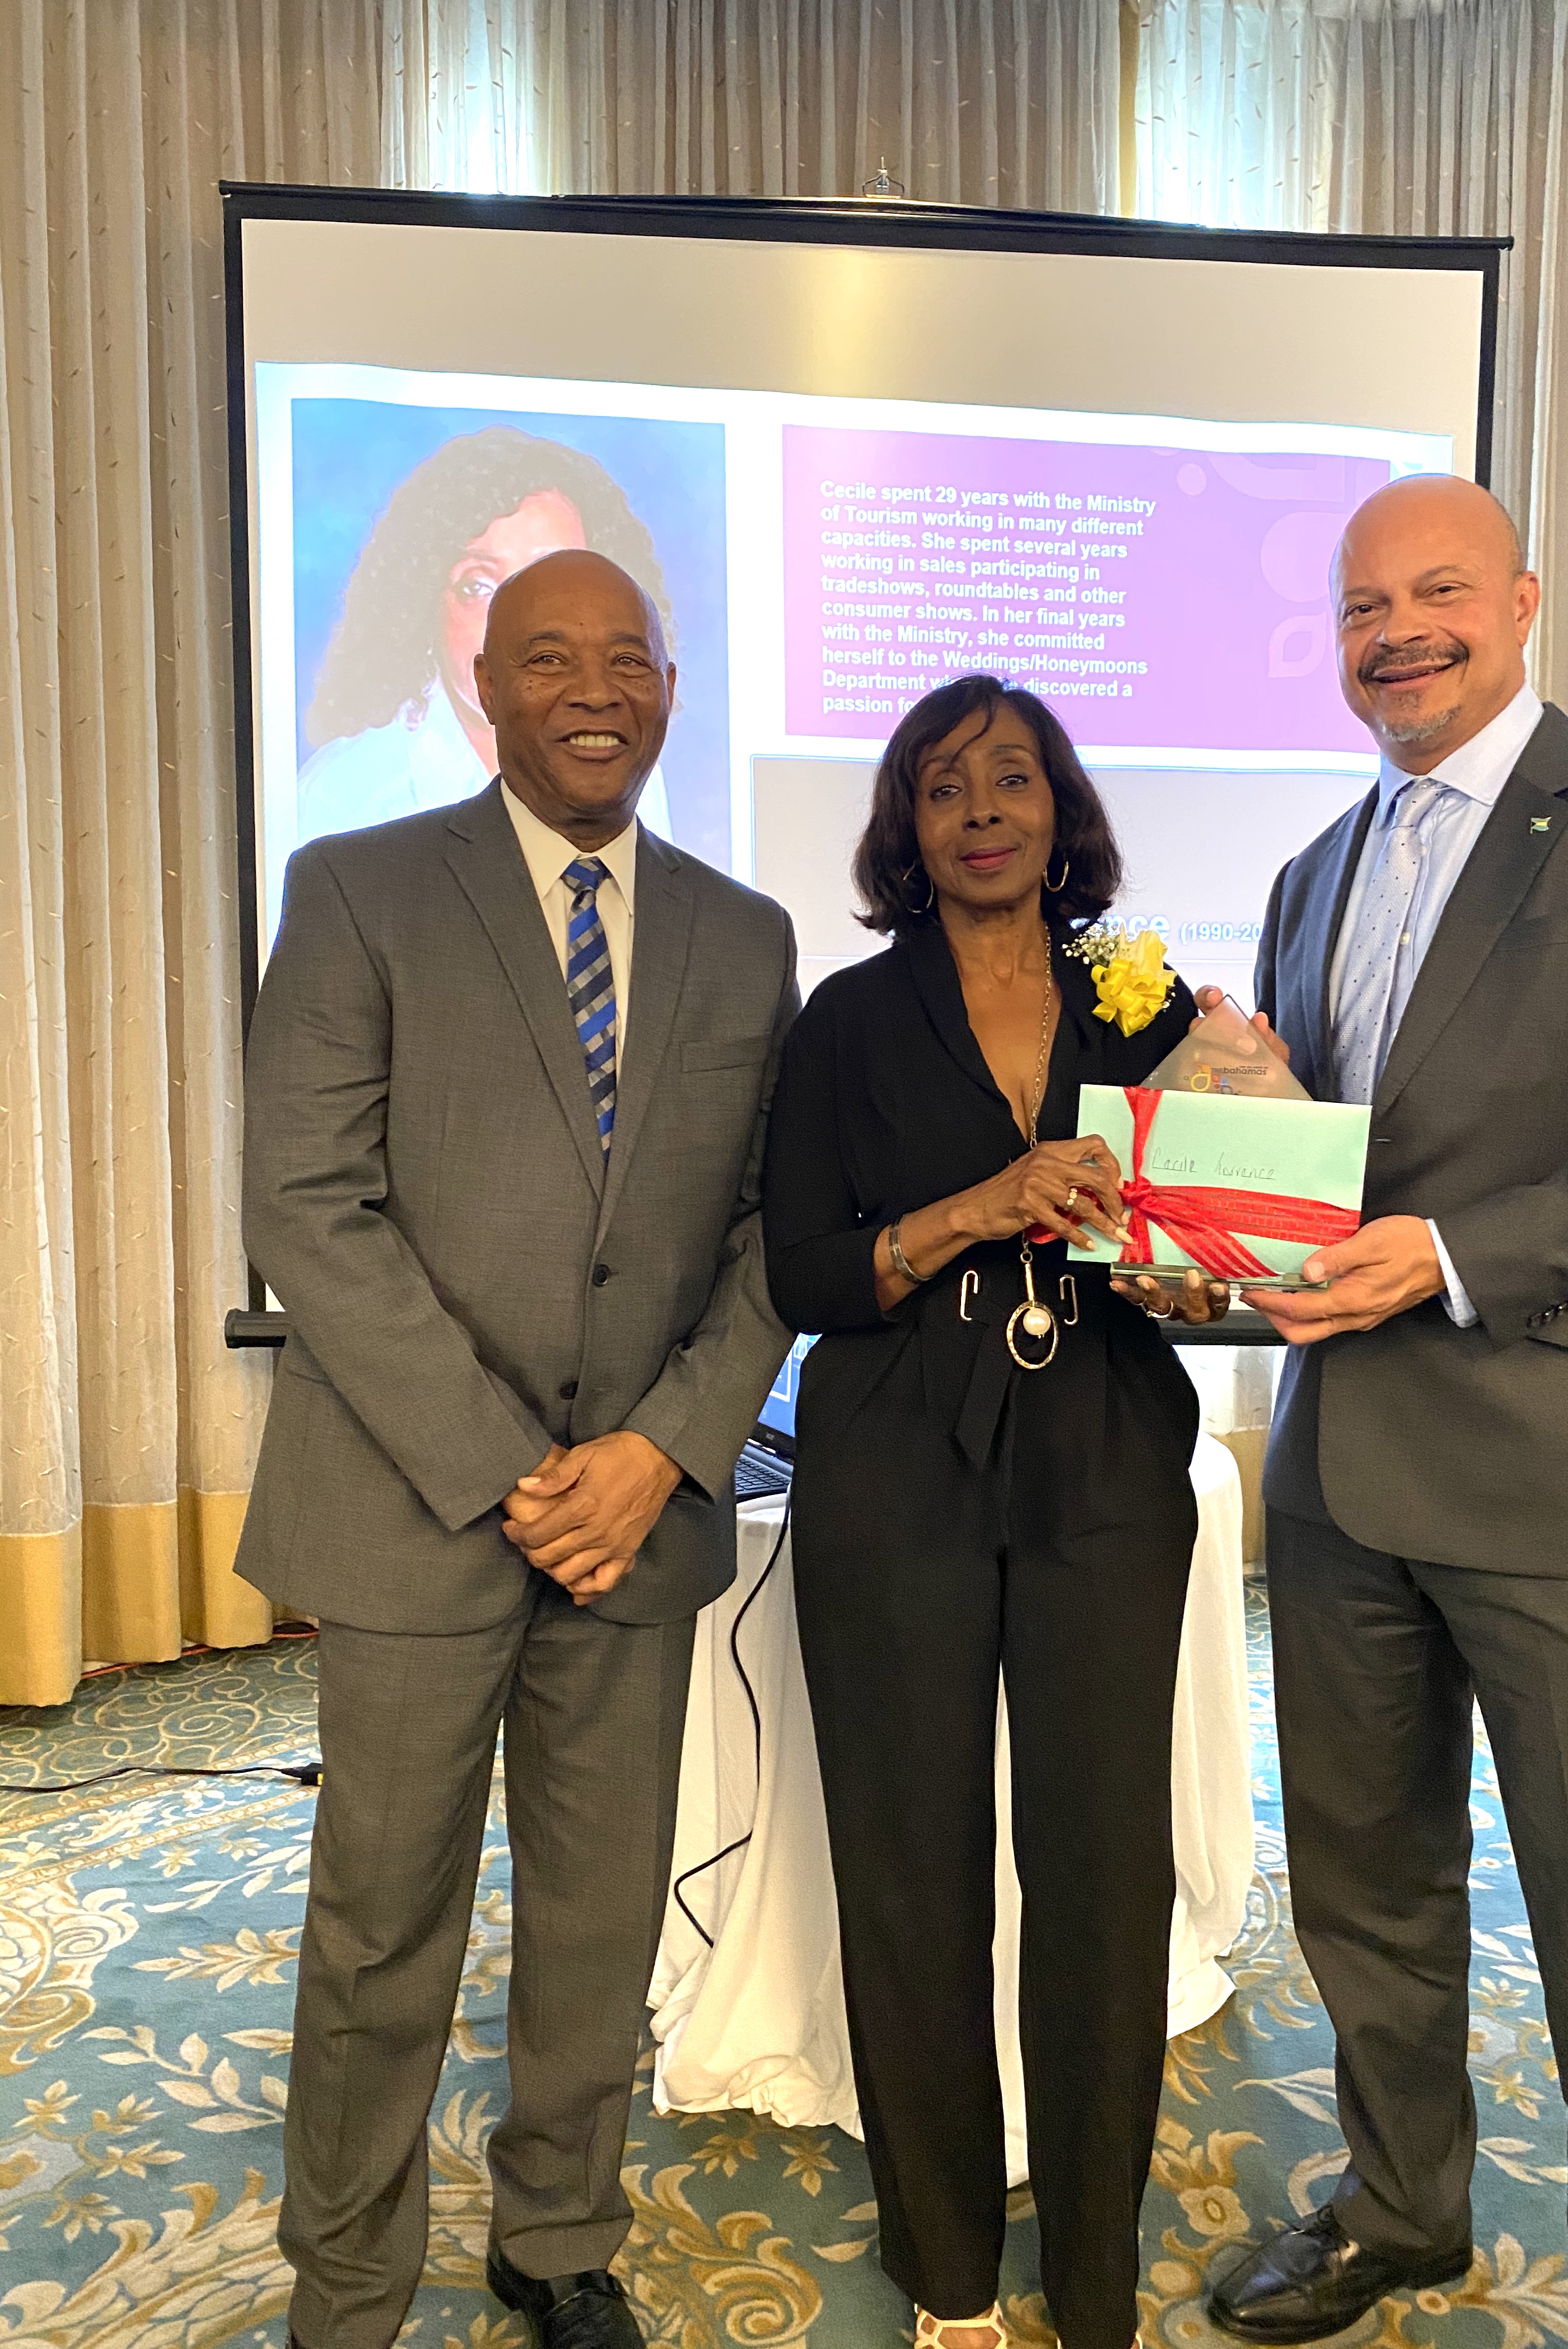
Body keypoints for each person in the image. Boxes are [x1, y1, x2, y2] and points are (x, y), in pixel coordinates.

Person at [1200, 475, 1568, 2347]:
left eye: (1437, 589)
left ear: (1521, 601)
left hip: (1560, 1472)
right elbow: (1330, 1176)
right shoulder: (1312, 872)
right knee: (1367, 1900)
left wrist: (1444, 1254)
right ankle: (1401, 2209)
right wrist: (1244, 1146)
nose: (1397, 629)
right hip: (1345, 1474)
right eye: (1365, 604)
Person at [237, 548, 797, 2349]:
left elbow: (769, 1237)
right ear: (482, 683)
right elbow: (309, 1209)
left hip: (636, 1525)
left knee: (599, 1914)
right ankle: (350, 2280)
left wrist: (659, 1452)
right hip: (417, 1510)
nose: (593, 688)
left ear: (670, 689)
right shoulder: (358, 890)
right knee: (381, 1927)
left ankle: (559, 2236)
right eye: (548, 656)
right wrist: (508, 1470)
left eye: (627, 658)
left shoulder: (745, 932)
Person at [761, 674, 1230, 2349]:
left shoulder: (1148, 990)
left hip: (1104, 1444)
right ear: (906, 822)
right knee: (911, 1868)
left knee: (1104, 1871)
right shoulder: (844, 1018)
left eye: (1013, 779)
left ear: (1059, 809)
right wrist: (977, 1205)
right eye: (945, 783)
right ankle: (952, 2277)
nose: (981, 809)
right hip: (896, 1459)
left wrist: (1214, 1243)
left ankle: (1094, 2281)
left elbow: (1233, 1215)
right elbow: (803, 1266)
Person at [296, 426, 674, 843]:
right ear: (424, 605)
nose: (525, 622)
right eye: (477, 586)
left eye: (557, 585)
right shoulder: (344, 799)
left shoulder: (623, 764)